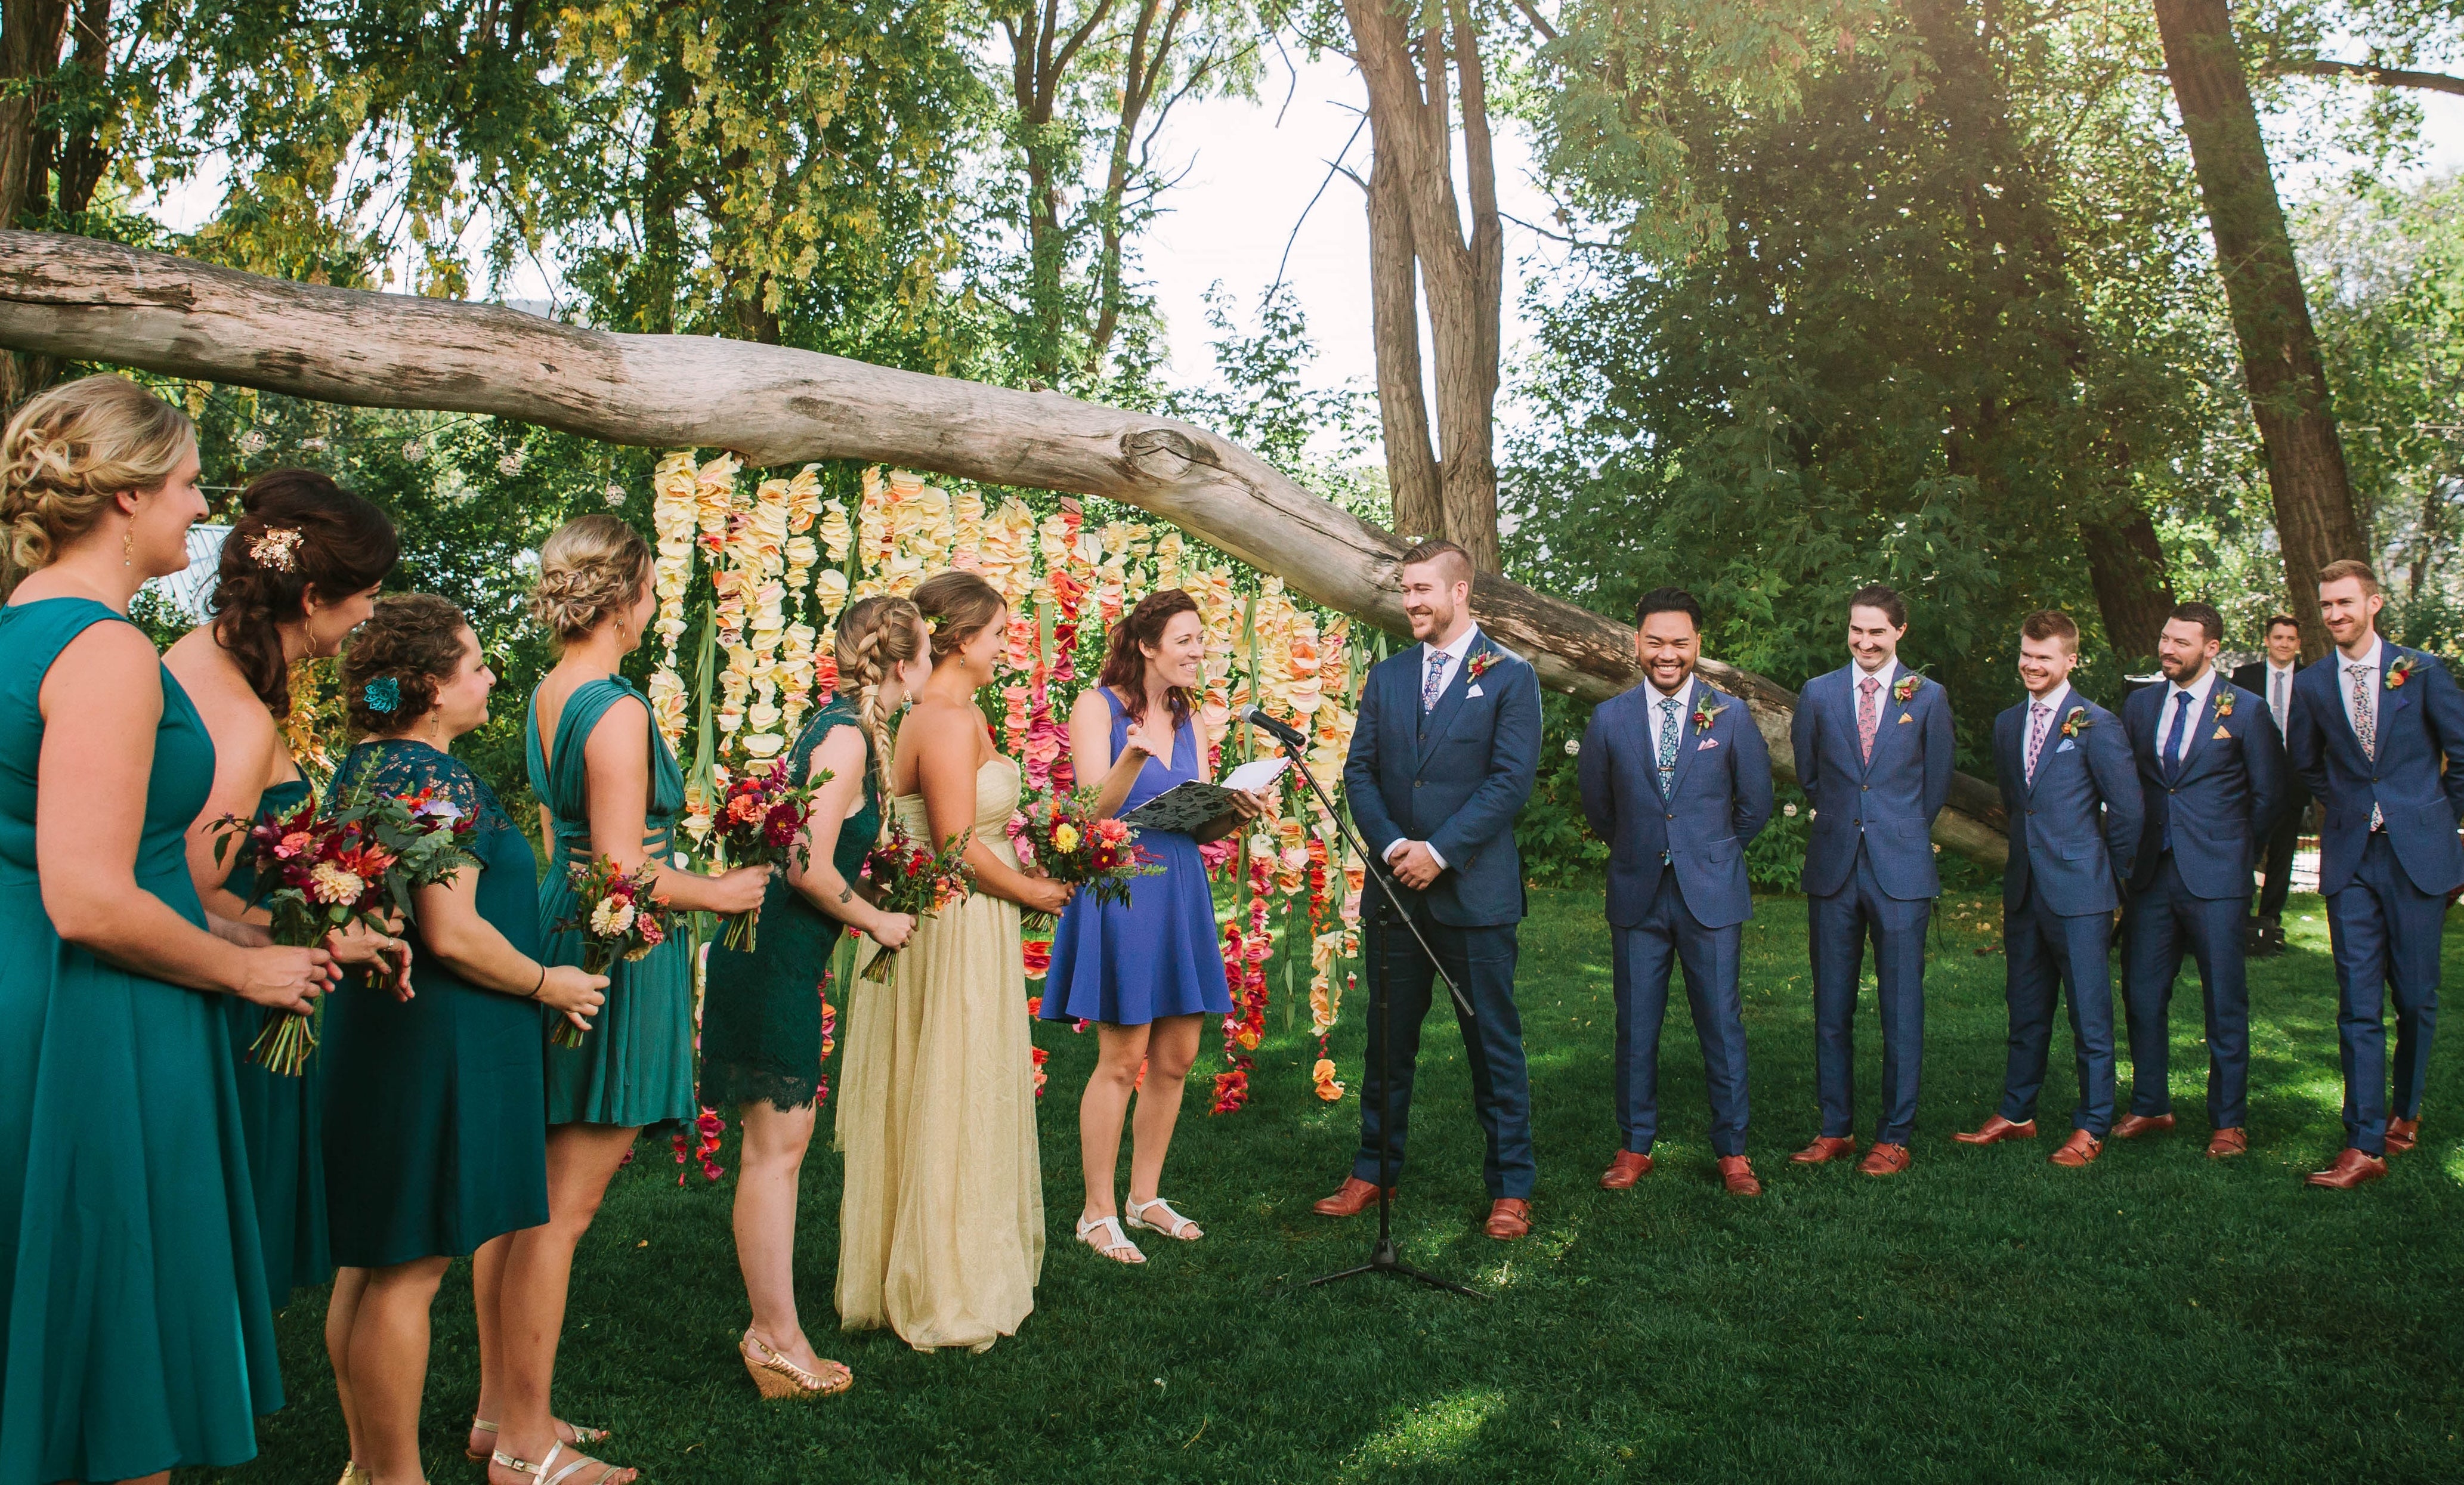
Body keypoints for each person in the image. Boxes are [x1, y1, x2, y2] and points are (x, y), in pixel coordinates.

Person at [0, 374, 335, 1484]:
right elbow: (89, 895)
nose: (202, 512)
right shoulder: (102, 653)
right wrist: (242, 980)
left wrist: (239, 938)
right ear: (127, 497)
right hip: (100, 1021)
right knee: (116, 1374)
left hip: (42, 991)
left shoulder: (20, 628)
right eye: (190, 486)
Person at [480, 515, 768, 1484]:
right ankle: (527, 1451)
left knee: (526, 1193)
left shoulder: (546, 694)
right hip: (609, 941)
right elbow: (622, 870)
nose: (655, 604)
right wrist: (722, 892)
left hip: (555, 921)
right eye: (650, 588)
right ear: (628, 594)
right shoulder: (616, 708)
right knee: (564, 1204)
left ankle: (503, 1412)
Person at [323, 596, 608, 1485]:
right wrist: (547, 981)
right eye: (475, 663)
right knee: (410, 1269)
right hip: (443, 1032)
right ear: (432, 688)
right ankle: (395, 1476)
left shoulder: (361, 766)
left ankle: (367, 1462)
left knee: (369, 1260)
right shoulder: (432, 778)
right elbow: (451, 930)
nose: (489, 677)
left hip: (381, 1025)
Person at [166, 468, 400, 1311]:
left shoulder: (190, 658)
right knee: (213, 1262)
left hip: (222, 986)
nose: (370, 613)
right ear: (311, 595)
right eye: (365, 595)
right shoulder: (236, 715)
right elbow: (189, 886)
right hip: (225, 1005)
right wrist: (307, 938)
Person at [700, 595, 928, 1397]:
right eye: (925, 651)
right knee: (774, 1154)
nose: (928, 666)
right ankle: (774, 1338)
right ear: (902, 664)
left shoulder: (844, 730)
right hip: (768, 961)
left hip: (777, 959)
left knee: (774, 1152)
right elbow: (804, 860)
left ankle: (775, 1332)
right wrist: (876, 919)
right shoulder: (840, 736)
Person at [837, 570, 1068, 1351]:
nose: (1007, 648)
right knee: (952, 1084)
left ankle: (955, 1252)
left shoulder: (959, 710)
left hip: (972, 915)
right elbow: (953, 846)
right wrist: (1035, 894)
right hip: (954, 918)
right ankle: (944, 1277)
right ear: (960, 640)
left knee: (966, 1082)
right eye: (999, 633)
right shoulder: (939, 717)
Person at [1315, 539, 1542, 1240]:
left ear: (1460, 592)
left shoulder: (1509, 675)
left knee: (1492, 1044)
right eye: (1404, 590)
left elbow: (1509, 783)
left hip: (1474, 894)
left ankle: (1510, 1187)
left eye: (1422, 589)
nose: (1410, 601)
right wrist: (1392, 848)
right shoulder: (1388, 677)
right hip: (1395, 889)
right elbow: (1361, 773)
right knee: (1386, 1043)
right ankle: (1374, 1167)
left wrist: (1440, 853)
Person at [1041, 589, 1261, 1264]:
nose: (1200, 651)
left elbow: (1195, 822)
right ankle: (1096, 1212)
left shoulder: (1187, 716)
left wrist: (1236, 810)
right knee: (1123, 1058)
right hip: (1124, 888)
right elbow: (1085, 815)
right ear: (1146, 646)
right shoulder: (1096, 707)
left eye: (1202, 640)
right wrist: (1132, 757)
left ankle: (1145, 1197)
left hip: (1182, 889)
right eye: (1187, 640)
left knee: (1176, 1058)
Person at [1578, 587, 1774, 1195]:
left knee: (1721, 1023)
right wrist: (1642, 849)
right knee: (1635, 1025)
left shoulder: (1730, 715)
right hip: (1638, 893)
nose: (1668, 655)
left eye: (1680, 643)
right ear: (1636, 643)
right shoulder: (1609, 719)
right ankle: (1635, 1146)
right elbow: (1599, 809)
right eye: (1656, 642)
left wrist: (1706, 852)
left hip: (1710, 892)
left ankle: (1734, 1151)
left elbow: (1755, 806)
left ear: (1698, 646)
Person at [2285, 559, 2464, 1190]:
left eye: (2345, 603)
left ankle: (2405, 1112)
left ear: (2374, 604)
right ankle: (2362, 1143)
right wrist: (2350, 805)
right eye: (2326, 605)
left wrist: (2437, 822)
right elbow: (2304, 762)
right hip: (2351, 858)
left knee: (2415, 999)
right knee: (2357, 1005)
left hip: (2419, 857)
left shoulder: (2420, 671)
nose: (2334, 615)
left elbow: (2463, 755)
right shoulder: (2311, 685)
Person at [1961, 610, 2141, 1167]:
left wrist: (2110, 881)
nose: (2031, 665)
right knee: (2026, 1008)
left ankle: (2092, 1124)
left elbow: (2129, 812)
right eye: (2026, 654)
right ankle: (2017, 1112)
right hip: (2025, 890)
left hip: (2082, 892)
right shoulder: (2007, 723)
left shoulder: (2096, 724)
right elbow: (2021, 805)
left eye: (2044, 656)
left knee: (2089, 1017)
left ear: (2070, 660)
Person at [1789, 584, 1953, 1175]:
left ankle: (1895, 1134)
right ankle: (1836, 1128)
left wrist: (1895, 827)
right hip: (1834, 867)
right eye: (1857, 630)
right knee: (1831, 1007)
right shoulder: (1818, 693)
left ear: (1900, 633)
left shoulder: (1927, 697)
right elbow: (1810, 773)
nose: (1865, 641)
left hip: (1901, 869)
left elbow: (1934, 785)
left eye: (1877, 632)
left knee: (1900, 1006)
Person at [2115, 602, 2284, 1158]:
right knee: (2142, 995)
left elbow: (2268, 797)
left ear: (2210, 649)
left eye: (2181, 643)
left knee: (2224, 1002)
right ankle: (2149, 1104)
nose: (2167, 650)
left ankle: (2228, 1121)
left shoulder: (2247, 710)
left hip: (2217, 878)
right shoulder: (2138, 706)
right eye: (2165, 639)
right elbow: (2132, 788)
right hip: (2151, 876)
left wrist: (2235, 852)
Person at [2232, 615, 2307, 956]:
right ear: (2267, 640)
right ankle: (2240, 919)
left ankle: (2271, 922)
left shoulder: (2310, 681)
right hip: (2249, 780)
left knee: (2282, 856)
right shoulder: (2244, 677)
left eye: (2291, 639)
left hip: (2292, 781)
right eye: (2278, 637)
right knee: (2246, 849)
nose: (2284, 644)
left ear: (2298, 644)